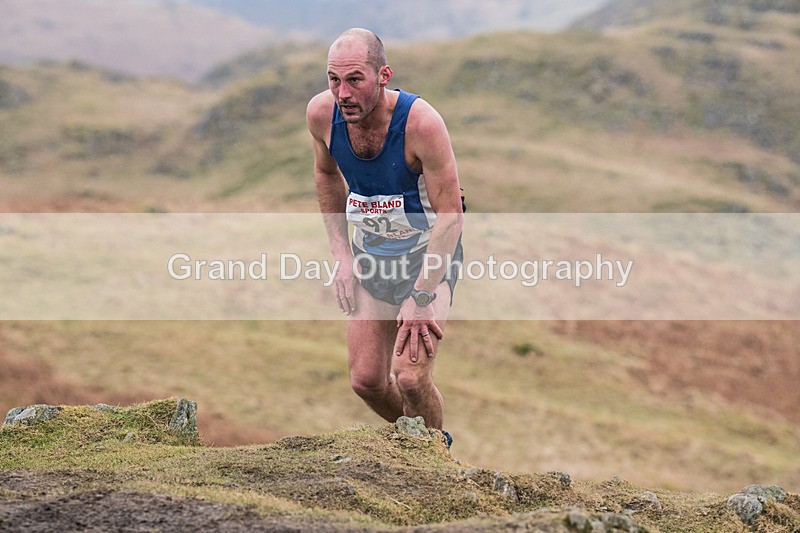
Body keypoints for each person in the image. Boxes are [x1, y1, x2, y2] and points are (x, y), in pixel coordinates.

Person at [306, 28, 464, 434]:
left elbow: (451, 215)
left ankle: (433, 461)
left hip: (427, 258)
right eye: (333, 79)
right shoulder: (322, 116)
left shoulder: (421, 124)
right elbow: (326, 176)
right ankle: (415, 444)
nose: (342, 93)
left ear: (383, 75)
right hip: (372, 257)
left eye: (355, 79)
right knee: (367, 382)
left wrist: (422, 295)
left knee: (410, 377)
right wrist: (341, 254)